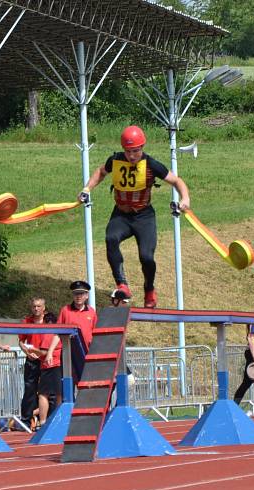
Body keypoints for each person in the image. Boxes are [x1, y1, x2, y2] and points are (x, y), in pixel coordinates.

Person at [78, 125, 191, 308]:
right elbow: (100, 172)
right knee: (111, 238)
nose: (132, 156)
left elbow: (177, 181)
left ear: (142, 148)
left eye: (136, 151)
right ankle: (122, 284)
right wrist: (86, 188)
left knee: (146, 257)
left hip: (144, 217)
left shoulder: (151, 164)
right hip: (121, 215)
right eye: (128, 151)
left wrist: (185, 198)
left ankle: (149, 289)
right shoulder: (115, 160)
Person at [18, 297, 48, 429]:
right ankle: (25, 420)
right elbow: (20, 341)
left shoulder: (49, 321)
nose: (36, 309)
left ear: (44, 308)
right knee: (29, 390)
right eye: (34, 306)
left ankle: (45, 418)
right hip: (31, 360)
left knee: (47, 391)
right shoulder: (26, 321)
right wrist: (26, 352)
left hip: (46, 361)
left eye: (39, 306)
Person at [58, 280, 97, 352]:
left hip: (88, 351)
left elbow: (95, 332)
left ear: (87, 296)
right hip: (69, 351)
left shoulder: (91, 311)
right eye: (76, 294)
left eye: (81, 294)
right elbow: (58, 331)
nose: (78, 296)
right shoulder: (65, 310)